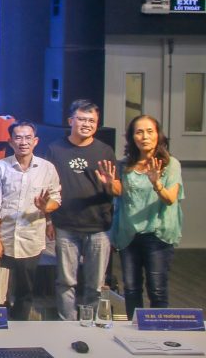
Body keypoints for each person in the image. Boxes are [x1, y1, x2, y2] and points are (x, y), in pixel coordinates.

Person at [107, 114, 184, 319]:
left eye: (150, 131)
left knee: (156, 289)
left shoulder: (170, 164)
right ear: (132, 137)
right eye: (139, 132)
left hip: (157, 235)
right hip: (129, 234)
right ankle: (134, 329)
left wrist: (156, 183)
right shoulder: (124, 165)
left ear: (158, 135)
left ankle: (158, 331)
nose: (145, 136)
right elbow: (121, 196)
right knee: (131, 289)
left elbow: (170, 199)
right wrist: (109, 184)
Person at [47, 99, 116, 321]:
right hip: (65, 225)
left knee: (95, 285)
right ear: (70, 121)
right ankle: (67, 325)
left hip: (98, 227)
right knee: (65, 282)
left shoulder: (105, 150)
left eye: (92, 121)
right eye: (82, 119)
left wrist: (109, 184)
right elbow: (47, 187)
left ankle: (90, 324)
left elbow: (118, 189)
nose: (87, 124)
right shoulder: (55, 149)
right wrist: (48, 220)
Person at [0, 120, 61, 320]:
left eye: (28, 138)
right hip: (4, 237)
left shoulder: (47, 168)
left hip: (31, 238)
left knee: (25, 289)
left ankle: (20, 326)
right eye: (18, 138)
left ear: (35, 141)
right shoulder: (0, 167)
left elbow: (56, 199)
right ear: (10, 141)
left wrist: (45, 208)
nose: (23, 142)